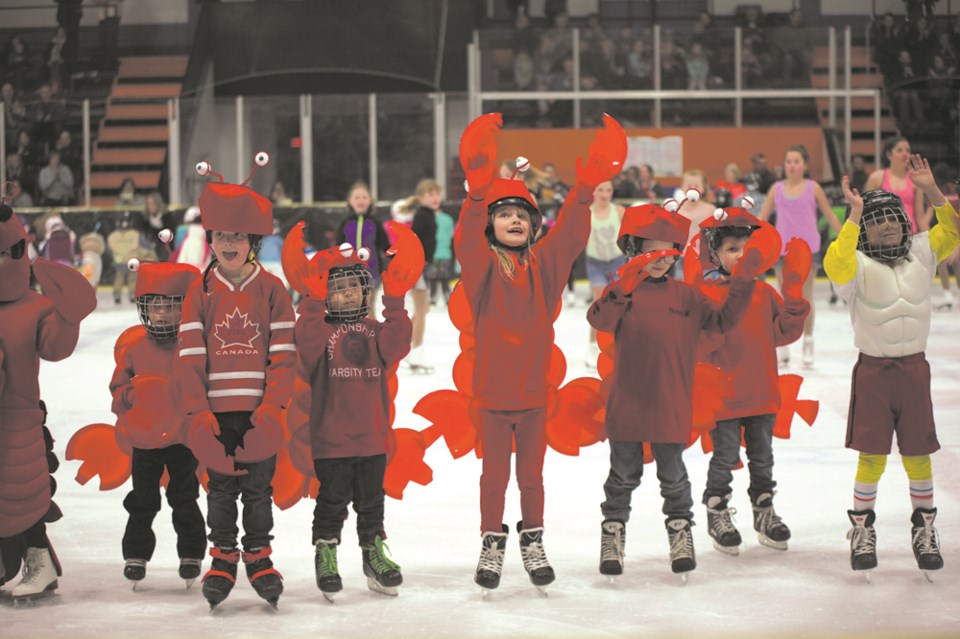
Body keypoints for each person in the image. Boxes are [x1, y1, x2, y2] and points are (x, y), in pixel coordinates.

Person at [457, 112, 625, 593]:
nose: (513, 220)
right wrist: (474, 195)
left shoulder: (545, 270)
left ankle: (533, 541)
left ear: (534, 227)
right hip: (491, 396)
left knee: (532, 477)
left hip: (533, 396)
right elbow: (466, 240)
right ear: (492, 226)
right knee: (494, 478)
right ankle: (492, 542)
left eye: (522, 215)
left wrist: (583, 190)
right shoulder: (482, 274)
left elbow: (572, 233)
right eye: (504, 214)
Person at [586, 203, 762, 580]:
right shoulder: (623, 292)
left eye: (670, 252)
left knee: (674, 478)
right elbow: (597, 319)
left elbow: (723, 321)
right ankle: (613, 533)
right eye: (653, 251)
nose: (662, 260)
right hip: (627, 403)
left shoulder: (687, 296)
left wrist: (743, 282)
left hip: (670, 402)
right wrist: (624, 286)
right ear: (634, 250)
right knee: (621, 477)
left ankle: (681, 532)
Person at [826, 155, 958, 578]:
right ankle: (862, 531)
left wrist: (934, 193)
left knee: (919, 453)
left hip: (914, 372)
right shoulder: (855, 267)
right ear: (866, 228)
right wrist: (853, 217)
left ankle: (925, 529)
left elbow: (953, 230)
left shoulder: (922, 251)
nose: (888, 225)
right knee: (873, 456)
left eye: (894, 217)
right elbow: (835, 261)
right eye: (877, 220)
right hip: (874, 374)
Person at [177, 154, 295, 609]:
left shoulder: (274, 290)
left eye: (237, 235)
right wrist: (198, 412)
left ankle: (259, 557)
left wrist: (272, 408)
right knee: (221, 490)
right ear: (211, 239)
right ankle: (223, 556)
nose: (228, 242)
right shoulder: (200, 292)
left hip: (259, 414)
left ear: (253, 240)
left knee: (258, 490)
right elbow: (190, 358)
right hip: (214, 416)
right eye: (221, 235)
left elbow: (282, 358)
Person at [293, 238, 417, 600]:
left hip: (372, 439)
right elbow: (308, 347)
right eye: (336, 288)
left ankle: (373, 553)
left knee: (371, 502)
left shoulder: (376, 331)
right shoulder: (320, 330)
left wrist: (394, 303)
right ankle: (326, 552)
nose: (347, 295)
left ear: (366, 292)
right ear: (323, 293)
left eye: (353, 287)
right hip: (331, 441)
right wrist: (313, 304)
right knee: (331, 501)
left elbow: (399, 344)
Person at [695, 206, 810, 556]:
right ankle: (717, 511)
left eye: (748, 250)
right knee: (724, 456)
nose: (742, 256)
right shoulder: (709, 294)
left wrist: (792, 290)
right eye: (732, 249)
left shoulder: (763, 293)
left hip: (761, 392)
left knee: (763, 458)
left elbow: (785, 332)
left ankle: (764, 511)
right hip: (724, 397)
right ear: (715, 255)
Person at [0, 193, 96, 603]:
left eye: (8, 252)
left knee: (24, 491)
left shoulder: (34, 307)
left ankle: (41, 561)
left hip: (19, 418)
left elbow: (54, 347)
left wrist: (69, 316)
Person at [109, 259, 206, 587]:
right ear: (144, 308)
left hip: (182, 440)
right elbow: (118, 387)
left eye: (170, 307)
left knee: (184, 497)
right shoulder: (135, 347)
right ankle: (135, 554)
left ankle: (191, 553)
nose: (162, 315)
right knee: (142, 500)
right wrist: (132, 399)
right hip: (144, 441)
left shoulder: (192, 345)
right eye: (155, 307)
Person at [758, 144, 843, 368]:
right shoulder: (775, 189)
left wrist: (847, 237)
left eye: (797, 161)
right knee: (783, 297)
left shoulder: (813, 188)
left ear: (804, 165)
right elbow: (762, 219)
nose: (792, 165)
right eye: (789, 161)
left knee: (805, 296)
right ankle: (782, 343)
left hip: (808, 248)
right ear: (784, 165)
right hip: (782, 248)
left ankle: (808, 340)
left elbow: (830, 215)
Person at [584, 180, 625, 370]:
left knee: (618, 305)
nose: (604, 193)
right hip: (595, 263)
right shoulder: (587, 213)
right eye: (600, 189)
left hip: (616, 262)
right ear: (594, 191)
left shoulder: (618, 211)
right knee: (599, 305)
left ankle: (618, 346)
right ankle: (593, 346)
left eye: (608, 190)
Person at [335, 182, 390, 319]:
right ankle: (354, 338)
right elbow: (337, 248)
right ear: (350, 201)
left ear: (370, 201)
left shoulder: (375, 223)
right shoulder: (345, 223)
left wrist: (398, 258)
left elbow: (386, 246)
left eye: (365, 197)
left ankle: (372, 339)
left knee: (367, 308)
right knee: (353, 309)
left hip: (372, 272)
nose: (361, 200)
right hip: (348, 273)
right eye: (357, 197)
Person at [406, 179, 445, 374]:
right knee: (421, 311)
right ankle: (416, 354)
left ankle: (404, 343)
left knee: (424, 309)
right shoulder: (422, 216)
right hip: (417, 267)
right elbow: (412, 240)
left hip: (423, 266)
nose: (435, 197)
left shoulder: (428, 215)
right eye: (430, 194)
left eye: (437, 193)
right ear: (421, 198)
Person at [863, 137, 925, 235]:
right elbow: (866, 212)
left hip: (910, 235)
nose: (905, 154)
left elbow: (921, 218)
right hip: (883, 236)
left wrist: (930, 242)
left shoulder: (916, 180)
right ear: (889, 154)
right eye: (899, 150)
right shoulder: (877, 177)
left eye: (907, 151)